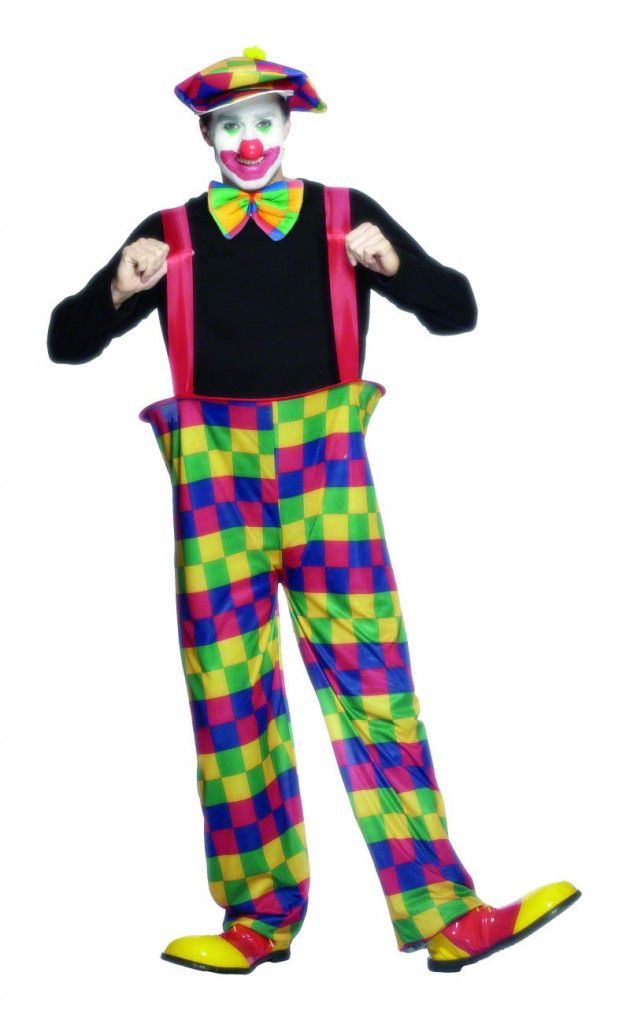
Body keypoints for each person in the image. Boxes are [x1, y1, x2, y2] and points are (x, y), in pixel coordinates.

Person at [47, 47, 580, 974]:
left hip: (327, 477)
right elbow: (65, 342)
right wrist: (118, 290)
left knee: (377, 687)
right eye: (231, 126)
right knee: (229, 699)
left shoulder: (343, 216)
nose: (249, 142)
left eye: (264, 122)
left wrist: (396, 265)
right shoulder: (169, 233)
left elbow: (457, 311)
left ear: (287, 126)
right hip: (214, 483)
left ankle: (447, 915)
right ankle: (257, 919)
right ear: (207, 135)